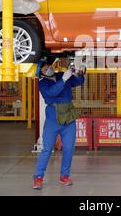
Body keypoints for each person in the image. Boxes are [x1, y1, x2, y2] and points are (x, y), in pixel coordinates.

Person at [32, 59, 86, 189]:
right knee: (46, 149)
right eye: (45, 69)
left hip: (68, 117)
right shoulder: (42, 84)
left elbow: (78, 82)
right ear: (41, 73)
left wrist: (81, 73)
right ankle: (38, 177)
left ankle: (64, 176)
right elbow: (52, 92)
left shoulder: (62, 75)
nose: (48, 69)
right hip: (53, 118)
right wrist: (64, 80)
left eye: (48, 66)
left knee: (69, 149)